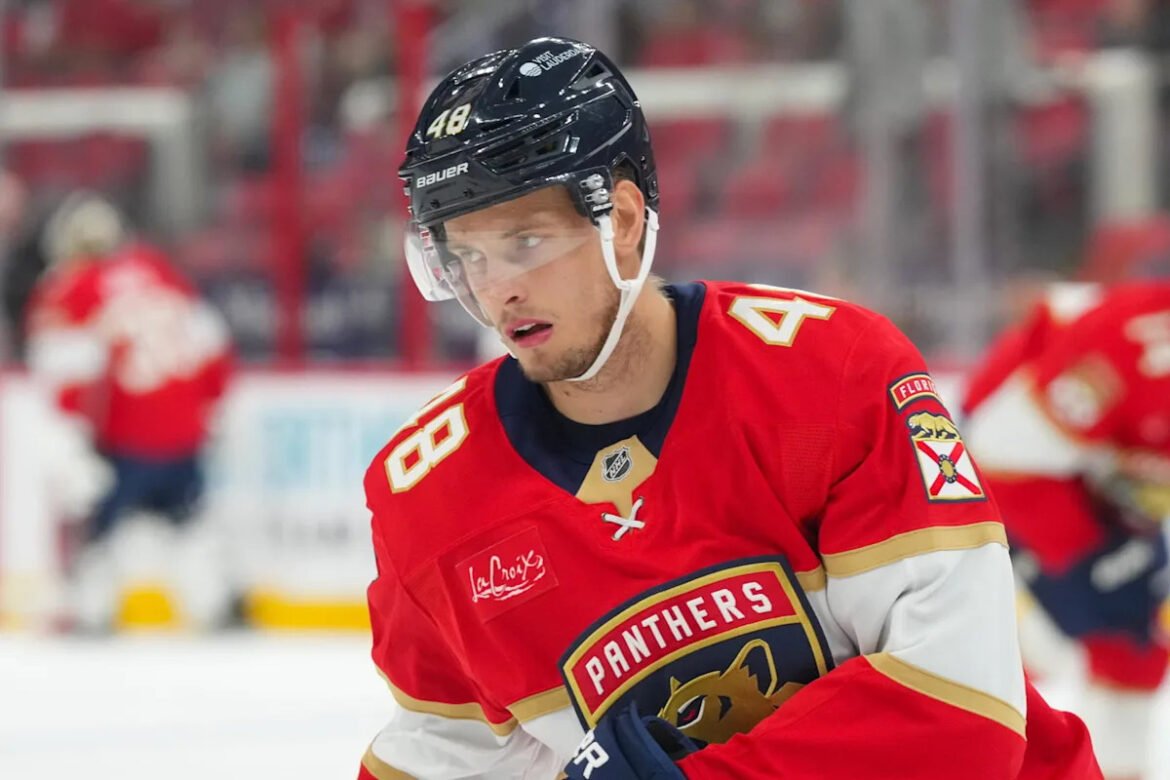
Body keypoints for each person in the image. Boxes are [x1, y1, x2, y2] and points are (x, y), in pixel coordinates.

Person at [359, 37, 1101, 779]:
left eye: (525, 242)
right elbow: (439, 757)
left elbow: (959, 711)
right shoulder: (430, 500)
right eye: (468, 257)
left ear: (621, 219)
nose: (497, 290)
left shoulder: (830, 374)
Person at [963, 281, 1170, 780]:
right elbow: (999, 453)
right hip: (1015, 457)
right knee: (1121, 624)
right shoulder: (1128, 357)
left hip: (1096, 463)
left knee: (1134, 636)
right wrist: (1079, 550)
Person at [25, 192, 234, 632]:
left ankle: (89, 611)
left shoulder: (71, 287)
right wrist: (211, 408)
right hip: (184, 431)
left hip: (126, 437)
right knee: (187, 522)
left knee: (99, 531)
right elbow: (213, 342)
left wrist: (73, 444)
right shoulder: (158, 270)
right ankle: (212, 604)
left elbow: (68, 374)